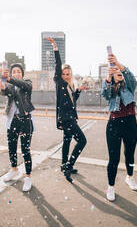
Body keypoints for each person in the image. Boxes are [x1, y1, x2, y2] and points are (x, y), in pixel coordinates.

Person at [47, 37, 88, 183]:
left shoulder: (70, 86)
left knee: (67, 141)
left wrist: (79, 90)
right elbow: (58, 65)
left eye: (67, 74)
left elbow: (72, 101)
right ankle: (69, 165)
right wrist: (55, 48)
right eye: (63, 74)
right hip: (66, 118)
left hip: (69, 117)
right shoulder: (59, 83)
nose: (65, 76)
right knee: (82, 141)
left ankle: (64, 165)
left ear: (71, 74)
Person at [101, 53, 137, 201]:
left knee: (129, 154)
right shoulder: (110, 88)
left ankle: (130, 177)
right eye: (115, 73)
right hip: (114, 124)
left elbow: (131, 77)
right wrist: (107, 79)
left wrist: (118, 64)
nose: (119, 74)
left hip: (130, 123)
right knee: (114, 158)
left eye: (120, 72)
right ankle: (111, 186)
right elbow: (104, 94)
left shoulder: (129, 86)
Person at [0, 63, 35, 192]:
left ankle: (28, 176)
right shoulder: (10, 86)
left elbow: (24, 86)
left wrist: (9, 78)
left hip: (25, 120)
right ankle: (14, 169)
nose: (16, 73)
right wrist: (3, 80)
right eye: (13, 71)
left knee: (25, 149)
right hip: (12, 120)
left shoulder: (27, 83)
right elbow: (2, 91)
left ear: (22, 74)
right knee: (12, 146)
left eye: (18, 71)